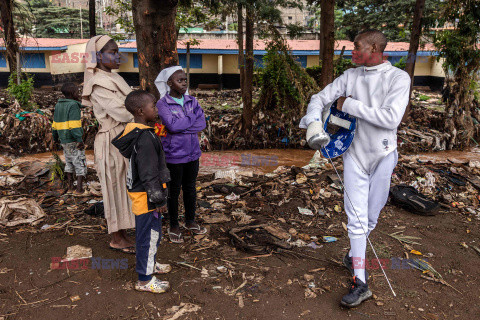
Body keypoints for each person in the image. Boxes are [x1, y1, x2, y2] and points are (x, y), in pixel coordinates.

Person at [300, 29, 410, 308]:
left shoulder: (398, 78)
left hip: (384, 155)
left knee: (370, 217)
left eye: (357, 46)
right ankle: (360, 282)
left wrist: (349, 104)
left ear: (374, 47)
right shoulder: (350, 76)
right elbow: (319, 98)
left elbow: (390, 118)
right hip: (354, 155)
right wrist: (314, 123)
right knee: (356, 219)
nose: (352, 51)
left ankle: (354, 253)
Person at [112, 90, 172, 293]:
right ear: (140, 111)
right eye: (153, 106)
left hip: (144, 195)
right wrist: (158, 200)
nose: (156, 109)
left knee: (154, 234)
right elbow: (148, 174)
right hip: (147, 198)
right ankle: (145, 280)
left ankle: (151, 265)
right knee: (148, 237)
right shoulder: (145, 138)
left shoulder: (139, 132)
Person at [81, 35, 135, 253]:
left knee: (125, 184)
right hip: (112, 140)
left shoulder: (115, 78)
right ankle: (116, 237)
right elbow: (121, 111)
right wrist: (144, 110)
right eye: (112, 52)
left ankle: (123, 231)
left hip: (124, 137)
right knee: (113, 187)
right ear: (97, 56)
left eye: (117, 51)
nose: (117, 56)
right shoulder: (98, 83)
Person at [155, 66, 207, 243]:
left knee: (190, 188)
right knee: (174, 190)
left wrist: (182, 125)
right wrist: (189, 120)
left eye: (185, 79)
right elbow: (172, 127)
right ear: (170, 83)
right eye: (180, 80)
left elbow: (202, 124)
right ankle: (174, 225)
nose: (184, 83)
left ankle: (190, 221)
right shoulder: (163, 103)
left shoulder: (192, 100)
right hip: (174, 155)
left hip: (193, 153)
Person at [52, 82, 87, 196]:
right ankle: (79, 190)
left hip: (63, 139)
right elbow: (74, 125)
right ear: (72, 93)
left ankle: (71, 187)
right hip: (73, 139)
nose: (79, 93)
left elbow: (55, 124)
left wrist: (55, 138)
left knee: (69, 162)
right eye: (77, 91)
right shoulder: (73, 106)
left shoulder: (58, 105)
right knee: (80, 163)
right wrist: (79, 139)